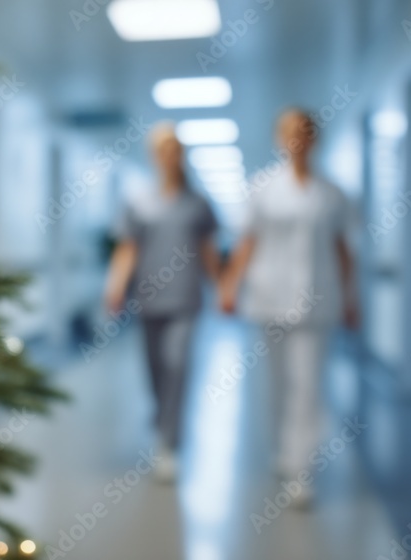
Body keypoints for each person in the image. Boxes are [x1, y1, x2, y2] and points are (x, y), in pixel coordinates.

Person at [220, 108, 358, 504]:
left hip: (318, 300)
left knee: (308, 386)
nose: (297, 138)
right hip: (269, 298)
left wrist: (352, 298)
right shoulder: (262, 187)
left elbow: (343, 249)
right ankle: (283, 449)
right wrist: (229, 286)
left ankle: (302, 469)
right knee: (276, 384)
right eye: (289, 132)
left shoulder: (332, 193)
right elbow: (247, 242)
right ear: (279, 138)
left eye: (305, 131)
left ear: (315, 138)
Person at [104, 123, 221, 481]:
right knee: (155, 369)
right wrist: (115, 286)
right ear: (155, 156)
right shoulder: (140, 202)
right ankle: (161, 416)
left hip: (186, 299)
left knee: (177, 364)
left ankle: (169, 443)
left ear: (181, 155)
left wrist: (225, 287)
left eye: (175, 149)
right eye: (163, 150)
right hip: (149, 298)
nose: (169, 156)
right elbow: (128, 249)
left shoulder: (197, 204)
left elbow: (208, 251)